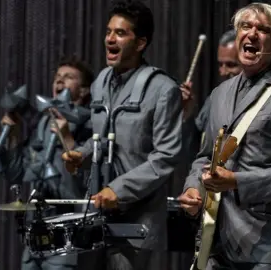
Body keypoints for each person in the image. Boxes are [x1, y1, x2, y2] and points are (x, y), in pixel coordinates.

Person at [178, 3, 271, 269]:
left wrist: (236, 181)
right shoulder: (220, 93)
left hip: (270, 247)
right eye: (245, 26)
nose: (252, 33)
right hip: (217, 239)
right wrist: (193, 188)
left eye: (263, 30)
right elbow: (205, 157)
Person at [61, 1, 183, 269]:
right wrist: (80, 154)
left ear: (140, 43)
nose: (110, 39)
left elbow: (165, 157)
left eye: (120, 33)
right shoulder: (100, 82)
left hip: (136, 220)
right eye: (108, 32)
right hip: (94, 214)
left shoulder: (163, 90)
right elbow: (103, 139)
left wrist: (118, 190)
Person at [1, 55, 95, 270]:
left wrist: (67, 139)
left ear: (83, 91)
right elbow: (18, 173)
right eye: (57, 77)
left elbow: (89, 180)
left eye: (68, 77)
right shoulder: (44, 123)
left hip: (68, 235)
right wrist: (13, 135)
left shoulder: (91, 124)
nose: (60, 81)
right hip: (36, 231)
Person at [181, 29, 242, 133]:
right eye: (220, 65)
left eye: (231, 65)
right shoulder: (214, 99)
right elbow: (196, 145)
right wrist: (187, 114)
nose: (223, 72)